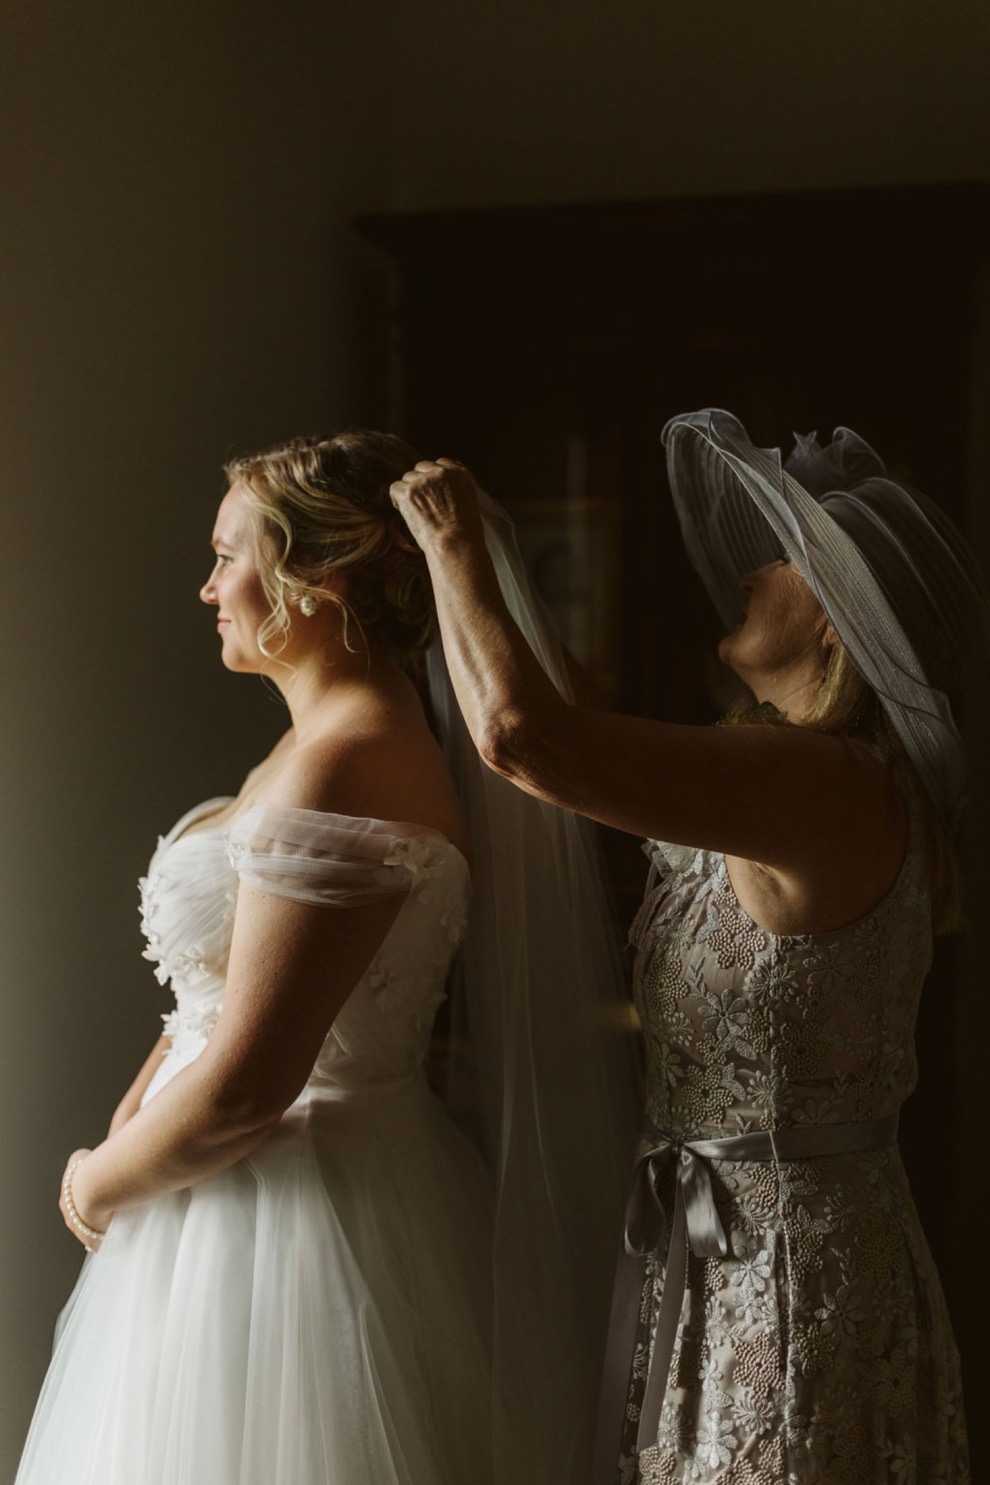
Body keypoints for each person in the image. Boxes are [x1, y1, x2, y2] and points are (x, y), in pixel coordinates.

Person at [16, 431, 636, 1485]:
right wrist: (133, 1124)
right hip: (218, 1202)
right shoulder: (312, 749)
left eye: (228, 556)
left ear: (317, 577)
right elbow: (213, 1001)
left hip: (290, 1230)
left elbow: (253, 1084)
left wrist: (92, 1187)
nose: (208, 587)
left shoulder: (347, 761)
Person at [389, 408, 988, 1485]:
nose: (750, 569)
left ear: (836, 623)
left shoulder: (820, 785)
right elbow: (575, 728)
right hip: (718, 1247)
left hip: (787, 1274)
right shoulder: (767, 775)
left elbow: (525, 738)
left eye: (783, 558)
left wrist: (451, 545)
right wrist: (487, 566)